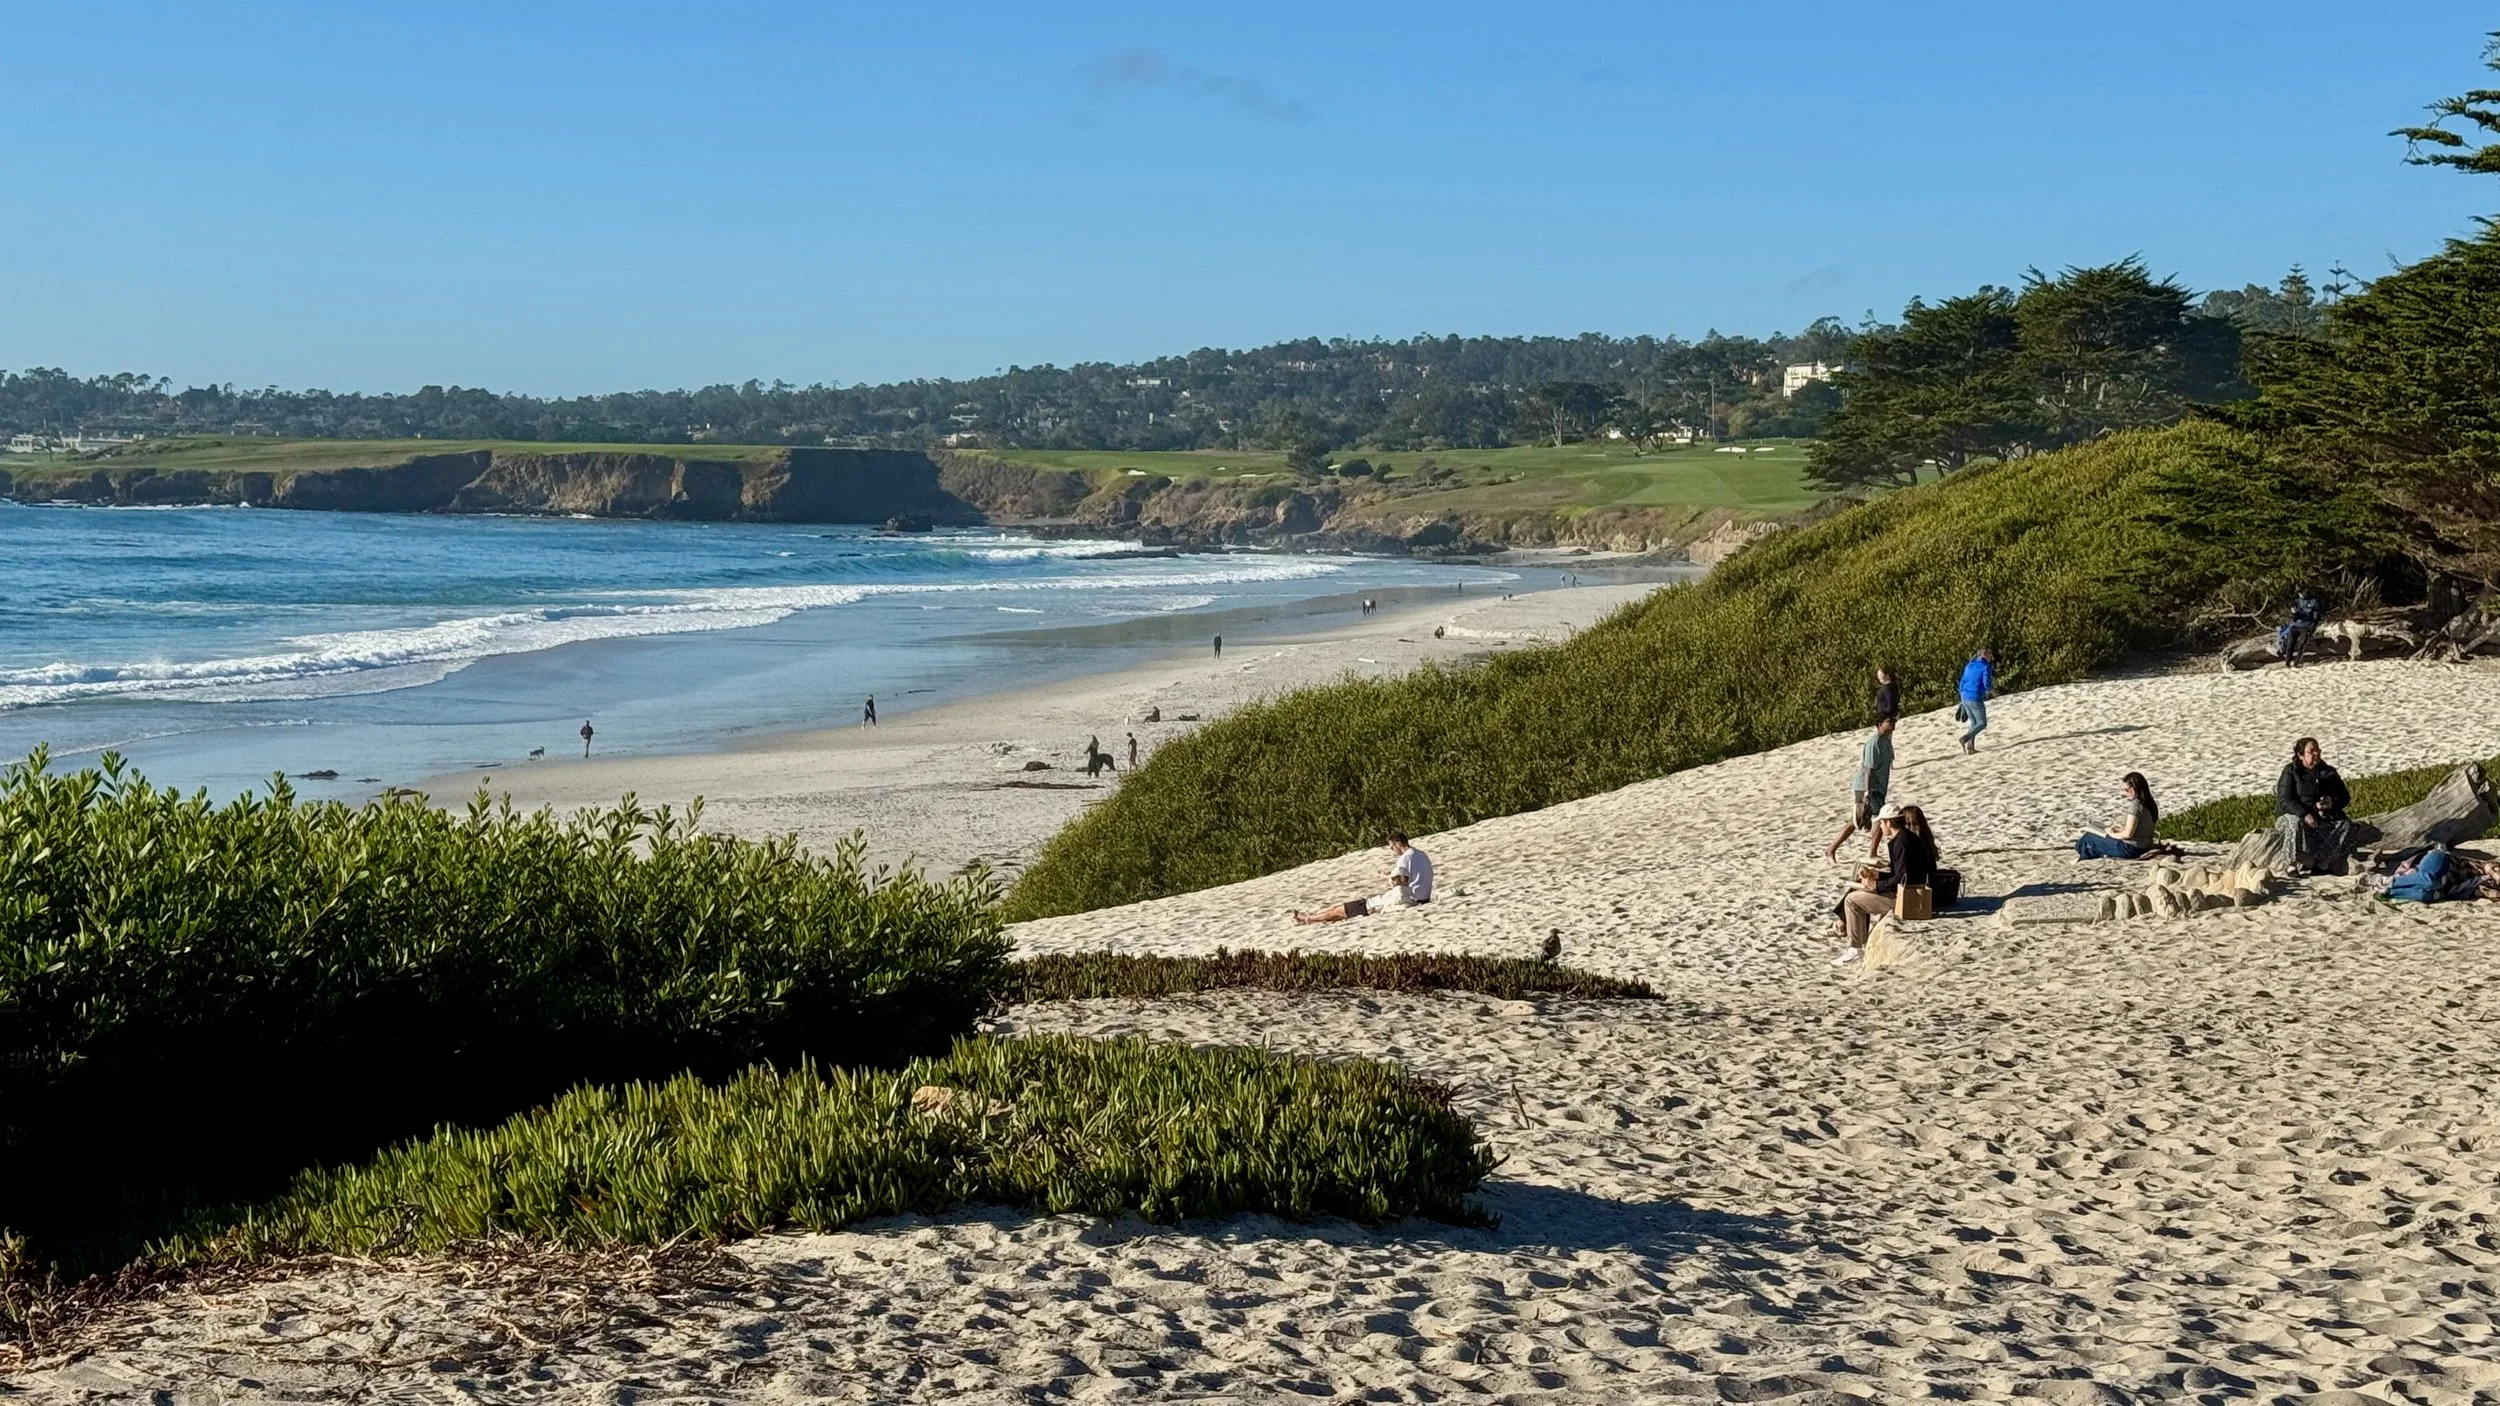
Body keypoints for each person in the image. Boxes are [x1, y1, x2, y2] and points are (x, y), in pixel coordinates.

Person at [1295, 832, 1434, 923]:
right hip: (1423, 898)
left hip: (1407, 900)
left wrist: (1389, 879)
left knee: (1342, 909)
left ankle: (1309, 918)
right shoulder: (1421, 854)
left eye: (1392, 847)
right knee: (1340, 909)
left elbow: (1401, 883)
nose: (1392, 850)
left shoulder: (1404, 858)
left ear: (1398, 844)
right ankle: (1311, 916)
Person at [2274, 736, 2353, 876]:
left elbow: (2344, 797)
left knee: (2345, 825)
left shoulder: (2328, 772)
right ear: (2300, 755)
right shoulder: (2291, 771)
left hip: (2320, 818)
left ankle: (2321, 863)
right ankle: (2290, 863)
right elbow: (2285, 800)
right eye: (2311, 751)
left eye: (2318, 750)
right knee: (2293, 822)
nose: (2316, 753)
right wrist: (2305, 813)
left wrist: (2331, 803)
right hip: (2295, 816)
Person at [1825, 716, 1896, 862]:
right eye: (1889, 722)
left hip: (1878, 787)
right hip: (1867, 786)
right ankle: (1872, 853)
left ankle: (1831, 849)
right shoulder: (1874, 743)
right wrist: (1867, 793)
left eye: (1894, 721)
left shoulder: (1886, 741)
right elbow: (1868, 770)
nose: (1893, 724)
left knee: (1857, 820)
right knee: (1877, 818)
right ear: (1880, 724)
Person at [2075, 772, 2160, 860]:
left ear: (2134, 789)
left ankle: (2083, 857)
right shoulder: (2150, 804)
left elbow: (2128, 834)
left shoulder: (2135, 805)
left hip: (2131, 848)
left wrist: (2111, 834)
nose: (2124, 794)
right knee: (2095, 839)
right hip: (2144, 846)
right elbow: (2138, 829)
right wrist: (2118, 830)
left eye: (2126, 790)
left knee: (2089, 838)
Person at [1833, 866, 1891, 965]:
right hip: (1903, 890)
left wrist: (1876, 885)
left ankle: (1855, 949)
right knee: (1861, 882)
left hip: (1904, 896)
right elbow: (1900, 874)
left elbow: (1903, 877)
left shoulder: (1902, 854)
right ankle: (1844, 923)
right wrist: (1878, 875)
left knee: (1852, 901)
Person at [1957, 647, 1996, 754]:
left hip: (1964, 696)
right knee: (1982, 723)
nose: (1991, 659)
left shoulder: (1969, 665)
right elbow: (1987, 684)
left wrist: (1962, 697)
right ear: (1986, 656)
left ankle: (1970, 747)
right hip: (1975, 697)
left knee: (1974, 722)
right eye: (1990, 656)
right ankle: (1965, 738)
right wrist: (1993, 692)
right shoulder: (1985, 667)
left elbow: (1962, 681)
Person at [2282, 589, 2324, 668]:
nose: (2301, 595)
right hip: (2295, 625)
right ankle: (2287, 662)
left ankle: (2297, 663)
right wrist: (2294, 613)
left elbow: (2315, 616)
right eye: (2299, 593)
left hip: (2306, 626)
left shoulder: (2313, 602)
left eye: (2302, 593)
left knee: (2301, 644)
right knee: (2290, 643)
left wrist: (2312, 627)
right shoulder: (2297, 601)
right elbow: (2294, 617)